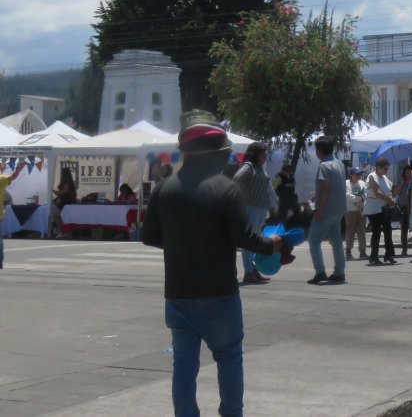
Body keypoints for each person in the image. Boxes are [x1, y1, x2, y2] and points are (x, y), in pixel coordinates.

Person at [142, 110, 282, 417]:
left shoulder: (164, 189)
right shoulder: (226, 189)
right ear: (217, 155)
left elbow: (149, 235)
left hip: (178, 294)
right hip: (219, 295)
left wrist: (183, 244)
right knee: (229, 359)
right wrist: (272, 244)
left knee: (184, 365)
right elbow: (246, 238)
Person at [233, 142, 276, 285]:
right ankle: (248, 272)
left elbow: (268, 189)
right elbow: (237, 178)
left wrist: (273, 205)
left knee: (255, 240)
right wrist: (244, 194)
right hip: (250, 208)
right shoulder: (248, 166)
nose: (265, 156)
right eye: (263, 153)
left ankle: (253, 270)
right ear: (256, 155)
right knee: (249, 240)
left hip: (259, 209)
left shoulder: (259, 168)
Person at [307, 136, 347, 285]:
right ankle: (339, 271)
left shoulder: (323, 165)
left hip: (327, 208)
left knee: (313, 240)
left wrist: (319, 208)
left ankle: (320, 271)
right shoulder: (339, 164)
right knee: (336, 240)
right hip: (339, 208)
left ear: (319, 150)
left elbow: (325, 187)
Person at [365, 159, 396, 265]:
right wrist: (389, 200)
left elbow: (390, 190)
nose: (386, 171)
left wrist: (391, 197)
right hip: (373, 209)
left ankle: (389, 254)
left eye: (387, 169)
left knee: (388, 231)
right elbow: (377, 192)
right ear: (378, 167)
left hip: (383, 208)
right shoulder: (372, 176)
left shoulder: (384, 177)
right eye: (385, 169)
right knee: (376, 233)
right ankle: (374, 256)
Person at [344, 166, 368, 260]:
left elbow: (366, 193)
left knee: (361, 231)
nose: (359, 176)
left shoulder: (362, 183)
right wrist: (358, 198)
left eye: (360, 174)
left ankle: (362, 251)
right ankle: (348, 251)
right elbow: (347, 195)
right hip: (350, 210)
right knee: (350, 231)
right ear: (351, 175)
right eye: (357, 174)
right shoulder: (347, 183)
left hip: (361, 209)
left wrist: (362, 198)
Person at [392, 163, 412, 257]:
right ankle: (404, 249)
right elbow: (395, 193)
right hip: (404, 208)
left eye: (410, 172)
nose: (408, 174)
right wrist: (402, 183)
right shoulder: (402, 183)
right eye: (407, 172)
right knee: (404, 229)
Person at [51, 167, 77, 237]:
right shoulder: (69, 181)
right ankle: (63, 231)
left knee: (56, 217)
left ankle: (63, 231)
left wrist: (57, 192)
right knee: (60, 217)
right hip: (66, 202)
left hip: (66, 202)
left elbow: (65, 191)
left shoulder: (66, 181)